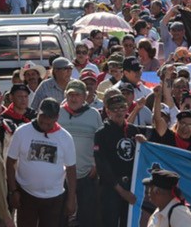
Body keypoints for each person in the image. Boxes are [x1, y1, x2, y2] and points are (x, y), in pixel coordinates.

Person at [6, 98, 77, 227]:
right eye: (42, 115)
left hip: (54, 198)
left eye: (49, 117)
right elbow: (10, 162)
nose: (44, 120)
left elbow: (71, 169)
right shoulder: (22, 132)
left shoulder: (65, 137)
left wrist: (71, 199)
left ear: (57, 117)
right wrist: (13, 191)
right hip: (26, 195)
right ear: (38, 112)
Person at [57, 80, 103, 227]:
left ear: (85, 97)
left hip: (87, 173)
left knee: (88, 217)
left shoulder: (94, 114)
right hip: (61, 175)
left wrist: (95, 164)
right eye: (70, 94)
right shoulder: (58, 113)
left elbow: (99, 142)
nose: (73, 98)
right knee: (61, 217)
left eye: (77, 95)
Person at [94, 94, 141, 227]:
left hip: (131, 185)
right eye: (114, 109)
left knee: (129, 223)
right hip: (111, 188)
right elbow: (102, 165)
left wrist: (143, 142)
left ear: (127, 109)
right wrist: (121, 191)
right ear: (107, 111)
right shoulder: (101, 133)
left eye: (122, 108)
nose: (119, 112)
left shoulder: (133, 130)